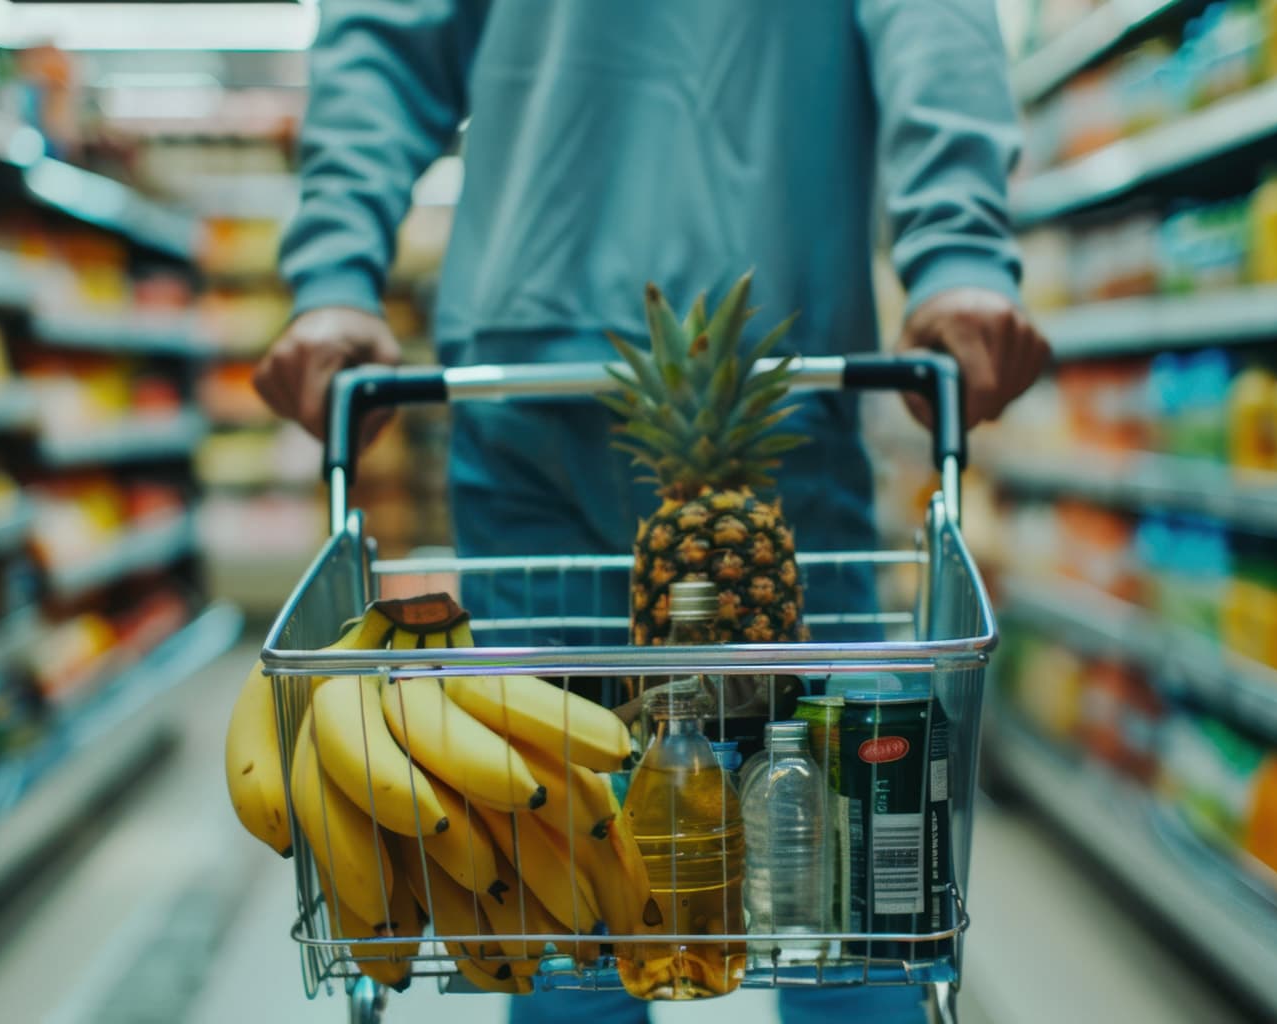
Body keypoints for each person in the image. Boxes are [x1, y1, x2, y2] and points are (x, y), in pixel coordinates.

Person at [257, 2, 1048, 1020]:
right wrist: (959, 250)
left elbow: (384, 37)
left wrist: (334, 273)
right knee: (848, 867)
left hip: (534, 367)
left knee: (563, 854)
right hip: (777, 376)